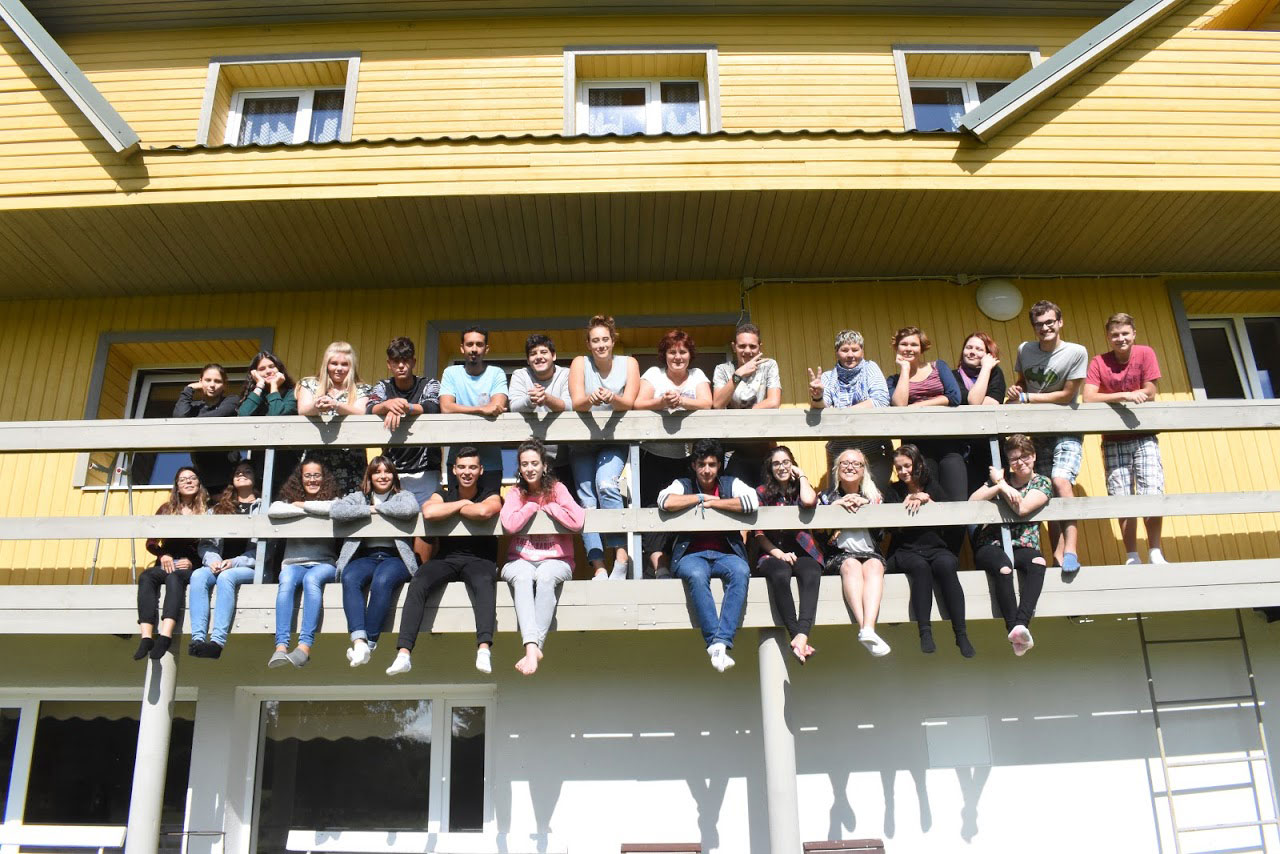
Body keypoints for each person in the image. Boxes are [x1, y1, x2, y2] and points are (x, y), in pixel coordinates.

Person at [387, 447, 500, 676]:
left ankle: (484, 650)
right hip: (447, 558)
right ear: (454, 470)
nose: (467, 472)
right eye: (462, 467)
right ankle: (404, 654)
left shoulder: (491, 493)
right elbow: (429, 512)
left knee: (484, 582)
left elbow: (484, 512)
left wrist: (453, 509)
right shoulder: (443, 494)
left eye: (472, 467)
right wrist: (461, 504)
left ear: (481, 470)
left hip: (479, 560)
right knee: (419, 580)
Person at [658, 438, 760, 672]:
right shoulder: (684, 484)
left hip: (725, 553)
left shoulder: (730, 483)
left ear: (719, 465)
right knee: (696, 575)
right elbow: (664, 500)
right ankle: (717, 642)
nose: (707, 470)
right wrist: (701, 498)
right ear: (694, 465)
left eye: (712, 464)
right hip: (691, 555)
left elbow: (752, 502)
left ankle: (719, 643)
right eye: (702, 464)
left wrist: (716, 504)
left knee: (741, 571)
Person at [1006, 300, 1089, 574]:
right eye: (1039, 324)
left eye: (1050, 322)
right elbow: (1023, 382)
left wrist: (1027, 398)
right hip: (1038, 431)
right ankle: (1057, 555)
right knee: (1045, 489)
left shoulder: (1076, 352)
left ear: (1060, 322)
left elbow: (1067, 395)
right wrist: (1016, 391)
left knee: (1060, 481)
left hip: (1066, 427)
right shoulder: (1025, 350)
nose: (1045, 328)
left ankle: (1071, 551)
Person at [1083, 312, 1167, 565]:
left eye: (1125, 334)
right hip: (1113, 437)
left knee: (1151, 490)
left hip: (1143, 433)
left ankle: (1155, 551)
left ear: (1133, 334)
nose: (1120, 339)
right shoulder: (1099, 362)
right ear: (1108, 337)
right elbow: (1089, 397)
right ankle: (1132, 555)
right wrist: (1124, 395)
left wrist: (1136, 393)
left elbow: (1150, 390)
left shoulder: (1145, 353)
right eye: (1115, 335)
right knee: (1121, 494)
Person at [500, 439, 586, 675]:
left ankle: (534, 648)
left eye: (534, 463)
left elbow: (578, 521)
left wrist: (551, 508)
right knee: (524, 575)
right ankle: (533, 648)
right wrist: (531, 507)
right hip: (520, 560)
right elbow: (509, 524)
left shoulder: (557, 489)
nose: (530, 468)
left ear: (544, 466)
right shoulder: (516, 493)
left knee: (546, 576)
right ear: (519, 468)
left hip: (557, 561)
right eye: (524, 464)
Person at [328, 456, 422, 667]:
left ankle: (370, 643)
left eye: (387, 471)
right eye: (377, 472)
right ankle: (359, 641)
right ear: (370, 476)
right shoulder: (359, 497)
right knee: (350, 577)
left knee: (382, 580)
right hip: (367, 556)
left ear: (394, 476)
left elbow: (409, 509)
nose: (382, 476)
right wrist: (367, 509)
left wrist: (378, 509)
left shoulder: (402, 496)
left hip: (395, 557)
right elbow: (337, 510)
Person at [568, 315, 640, 579]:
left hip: (613, 438)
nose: (601, 345)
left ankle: (621, 557)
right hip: (582, 441)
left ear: (613, 341)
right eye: (595, 340)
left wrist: (613, 398)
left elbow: (629, 402)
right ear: (588, 344)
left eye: (605, 339)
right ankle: (598, 565)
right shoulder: (580, 363)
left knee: (607, 484)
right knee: (586, 501)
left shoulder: (629, 363)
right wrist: (591, 398)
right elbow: (577, 402)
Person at [636, 329, 713, 576]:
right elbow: (638, 403)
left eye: (683, 352)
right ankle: (659, 567)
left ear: (690, 355)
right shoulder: (653, 374)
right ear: (664, 355)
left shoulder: (697, 375)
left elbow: (707, 402)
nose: (677, 357)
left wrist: (681, 401)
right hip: (653, 455)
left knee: (684, 509)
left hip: (686, 458)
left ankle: (680, 564)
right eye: (672, 352)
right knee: (653, 509)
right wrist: (661, 402)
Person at [886, 444, 973, 658]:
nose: (903, 471)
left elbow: (948, 519)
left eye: (907, 466)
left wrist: (929, 501)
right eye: (899, 468)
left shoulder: (931, 485)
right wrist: (905, 504)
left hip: (934, 547)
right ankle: (925, 632)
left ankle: (961, 634)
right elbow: (889, 529)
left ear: (917, 464)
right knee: (920, 568)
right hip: (906, 549)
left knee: (947, 564)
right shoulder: (894, 491)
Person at [970, 434, 1051, 656]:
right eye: (1014, 459)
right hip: (991, 543)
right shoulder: (1002, 479)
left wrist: (1000, 484)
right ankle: (1015, 629)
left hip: (1023, 544)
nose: (1020, 462)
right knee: (1004, 569)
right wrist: (1000, 487)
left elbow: (1022, 508)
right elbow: (972, 502)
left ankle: (1021, 625)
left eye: (1025, 457)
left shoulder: (1041, 482)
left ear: (1033, 456)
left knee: (1038, 562)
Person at [266, 460, 340, 668]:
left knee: (311, 580)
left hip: (323, 563)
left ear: (324, 478)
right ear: (300, 479)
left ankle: (304, 646)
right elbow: (274, 510)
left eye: (317, 475)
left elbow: (334, 508)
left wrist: (300, 506)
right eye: (308, 475)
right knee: (286, 581)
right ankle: (281, 647)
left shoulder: (333, 500)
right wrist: (307, 509)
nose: (312, 480)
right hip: (293, 564)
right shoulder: (286, 501)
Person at [751, 446, 821, 663]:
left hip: (801, 551)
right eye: (776, 463)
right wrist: (779, 554)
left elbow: (809, 501)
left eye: (786, 462)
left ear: (793, 464)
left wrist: (803, 476)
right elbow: (758, 534)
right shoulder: (761, 492)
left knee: (812, 571)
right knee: (781, 574)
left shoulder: (799, 488)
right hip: (771, 552)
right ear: (770, 468)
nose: (781, 467)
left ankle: (802, 635)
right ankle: (797, 635)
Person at [886, 326, 965, 516]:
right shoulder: (894, 380)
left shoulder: (938, 367)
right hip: (918, 447)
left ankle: (955, 537)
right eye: (904, 344)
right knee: (927, 498)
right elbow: (899, 405)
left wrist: (919, 406)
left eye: (914, 344)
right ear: (896, 348)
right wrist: (905, 370)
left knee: (956, 501)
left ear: (922, 348)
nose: (909, 348)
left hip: (948, 441)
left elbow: (954, 396)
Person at [133, 466, 208, 660]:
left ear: (199, 483)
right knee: (146, 576)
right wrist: (162, 555)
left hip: (192, 565)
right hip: (168, 561)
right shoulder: (166, 509)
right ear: (177, 486)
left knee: (174, 578)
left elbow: (212, 544)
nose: (188, 482)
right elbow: (151, 541)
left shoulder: (207, 510)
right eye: (183, 479)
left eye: (192, 478)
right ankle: (146, 637)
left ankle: (165, 635)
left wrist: (193, 562)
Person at [189, 461, 261, 659]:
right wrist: (213, 560)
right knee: (198, 575)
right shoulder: (218, 509)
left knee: (226, 577)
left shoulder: (263, 509)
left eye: (247, 471)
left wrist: (234, 562)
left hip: (250, 567)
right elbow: (206, 543)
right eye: (238, 472)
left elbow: (266, 550)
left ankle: (217, 642)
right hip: (218, 564)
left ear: (255, 478)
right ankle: (197, 639)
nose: (242, 474)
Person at [822, 448, 890, 657]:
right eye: (845, 463)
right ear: (837, 469)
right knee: (851, 565)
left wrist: (867, 506)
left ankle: (867, 629)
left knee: (875, 565)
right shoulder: (826, 497)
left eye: (856, 464)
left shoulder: (874, 496)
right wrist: (834, 507)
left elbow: (882, 533)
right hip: (839, 555)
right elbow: (818, 534)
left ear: (863, 470)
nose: (850, 467)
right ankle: (866, 628)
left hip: (869, 553)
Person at [807, 329, 892, 495]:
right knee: (840, 500)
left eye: (855, 349)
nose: (850, 355)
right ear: (837, 352)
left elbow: (880, 401)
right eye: (845, 350)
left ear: (862, 351)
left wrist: (841, 412)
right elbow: (823, 407)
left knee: (873, 498)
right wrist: (817, 397)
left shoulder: (870, 368)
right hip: (840, 453)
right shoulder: (828, 377)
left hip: (874, 450)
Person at [366, 337, 443, 507]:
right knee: (392, 521)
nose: (401, 365)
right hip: (391, 472)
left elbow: (432, 407)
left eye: (405, 360)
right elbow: (369, 408)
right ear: (389, 364)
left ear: (413, 362)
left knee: (426, 520)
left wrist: (406, 407)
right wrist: (386, 405)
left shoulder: (429, 384)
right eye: (396, 361)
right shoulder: (383, 386)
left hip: (426, 471)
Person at [440, 326, 509, 495]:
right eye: (469, 344)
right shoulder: (451, 373)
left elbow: (497, 405)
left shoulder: (496, 373)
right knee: (457, 507)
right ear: (462, 348)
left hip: (490, 462)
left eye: (479, 344)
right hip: (458, 463)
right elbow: (446, 407)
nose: (474, 349)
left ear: (486, 349)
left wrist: (462, 409)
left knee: (491, 508)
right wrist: (481, 409)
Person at [297, 341, 372, 496]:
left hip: (351, 461)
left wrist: (336, 405)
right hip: (316, 460)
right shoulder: (309, 384)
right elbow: (302, 410)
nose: (339, 368)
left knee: (352, 505)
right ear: (326, 364)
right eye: (334, 363)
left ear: (351, 367)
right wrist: (317, 406)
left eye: (344, 364)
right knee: (315, 505)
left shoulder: (362, 389)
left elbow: (361, 412)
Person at [713, 323, 782, 486]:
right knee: (736, 492)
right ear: (734, 347)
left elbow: (773, 402)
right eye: (742, 346)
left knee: (768, 493)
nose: (747, 351)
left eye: (752, 346)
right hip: (735, 447)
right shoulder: (723, 369)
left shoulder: (768, 366)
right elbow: (717, 403)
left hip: (764, 444)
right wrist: (738, 375)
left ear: (760, 347)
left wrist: (744, 414)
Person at [508, 334, 572, 481]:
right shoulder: (520, 375)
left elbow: (570, 406)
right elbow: (514, 406)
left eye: (543, 352)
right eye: (533, 354)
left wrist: (546, 399)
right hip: (530, 460)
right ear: (528, 360)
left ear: (553, 356)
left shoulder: (566, 374)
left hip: (563, 457)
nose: (539, 357)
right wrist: (531, 400)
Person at [238, 350, 299, 498]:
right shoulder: (256, 395)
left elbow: (276, 416)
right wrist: (259, 386)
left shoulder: (292, 393)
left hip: (287, 461)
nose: (268, 371)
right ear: (255, 373)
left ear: (279, 369)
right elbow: (243, 416)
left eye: (271, 366)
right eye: (262, 369)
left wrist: (273, 387)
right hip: (260, 462)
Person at [953, 332, 1008, 496]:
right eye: (969, 347)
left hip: (990, 447)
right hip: (962, 448)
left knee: (995, 495)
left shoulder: (996, 374)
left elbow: (988, 406)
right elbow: (974, 402)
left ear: (988, 355)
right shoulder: (953, 376)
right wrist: (986, 368)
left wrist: (986, 369)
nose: (972, 352)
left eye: (979, 349)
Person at [173, 363, 240, 495]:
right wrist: (189, 389)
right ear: (200, 382)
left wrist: (190, 422)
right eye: (208, 380)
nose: (212, 385)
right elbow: (179, 418)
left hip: (228, 476)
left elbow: (215, 417)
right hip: (202, 476)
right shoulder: (194, 408)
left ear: (225, 385)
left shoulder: (232, 401)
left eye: (217, 381)